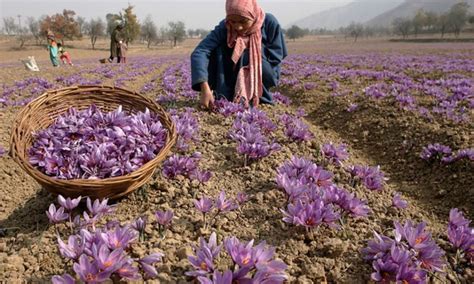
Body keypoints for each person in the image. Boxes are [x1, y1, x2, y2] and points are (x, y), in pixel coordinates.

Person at [191, 0, 287, 110]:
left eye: (243, 21)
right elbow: (200, 52)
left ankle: (257, 96)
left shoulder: (269, 22)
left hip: (263, 72)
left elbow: (276, 57)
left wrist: (251, 56)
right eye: (233, 21)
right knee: (216, 49)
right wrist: (204, 87)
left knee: (246, 54)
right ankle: (225, 94)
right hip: (232, 74)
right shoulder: (226, 26)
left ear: (253, 14)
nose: (238, 27)